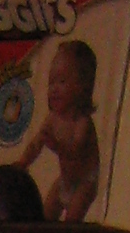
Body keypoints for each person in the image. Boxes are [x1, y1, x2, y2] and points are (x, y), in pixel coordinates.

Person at [27, 36, 103, 221]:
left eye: (61, 82)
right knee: (44, 217)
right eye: (51, 82)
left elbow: (75, 151)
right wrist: (22, 163)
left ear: (82, 87)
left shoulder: (82, 122)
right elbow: (36, 144)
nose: (54, 89)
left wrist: (56, 146)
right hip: (65, 180)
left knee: (71, 222)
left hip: (85, 183)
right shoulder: (52, 119)